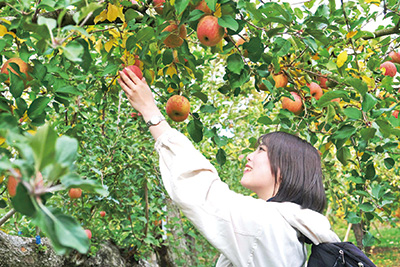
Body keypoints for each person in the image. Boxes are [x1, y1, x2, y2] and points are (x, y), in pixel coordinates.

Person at [118, 68, 340, 267]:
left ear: (285, 169)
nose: (249, 156)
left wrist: (150, 111)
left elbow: (201, 189)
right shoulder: (288, 230)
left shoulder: (267, 225)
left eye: (261, 150)